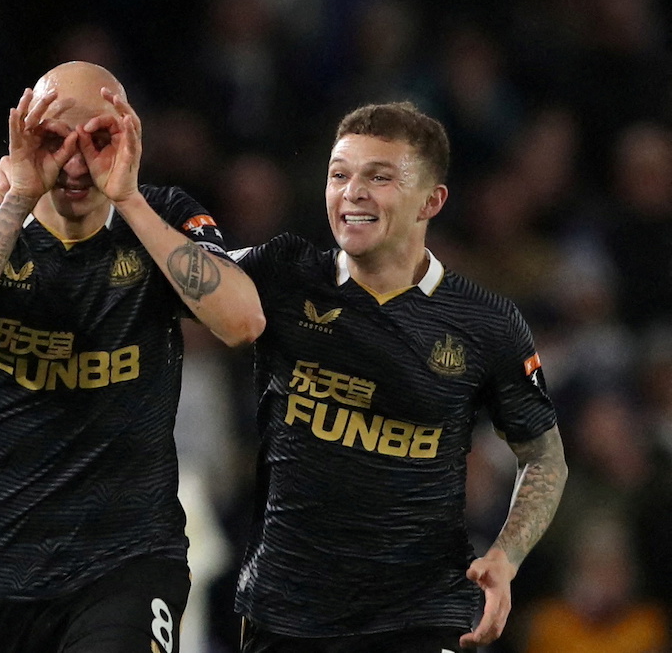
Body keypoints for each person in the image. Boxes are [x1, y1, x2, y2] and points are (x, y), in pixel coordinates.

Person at [0, 61, 265, 653]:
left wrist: (131, 199)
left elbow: (243, 321)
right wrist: (17, 200)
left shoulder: (165, 216)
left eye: (97, 140)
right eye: (53, 141)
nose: (74, 164)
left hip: (127, 558)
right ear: (21, 139)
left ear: (128, 137)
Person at [228, 102, 568, 652]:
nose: (352, 192)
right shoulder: (283, 273)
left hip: (421, 613)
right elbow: (180, 279)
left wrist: (506, 557)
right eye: (339, 175)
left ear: (431, 201)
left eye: (378, 177)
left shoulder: (487, 323)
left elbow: (544, 455)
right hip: (285, 610)